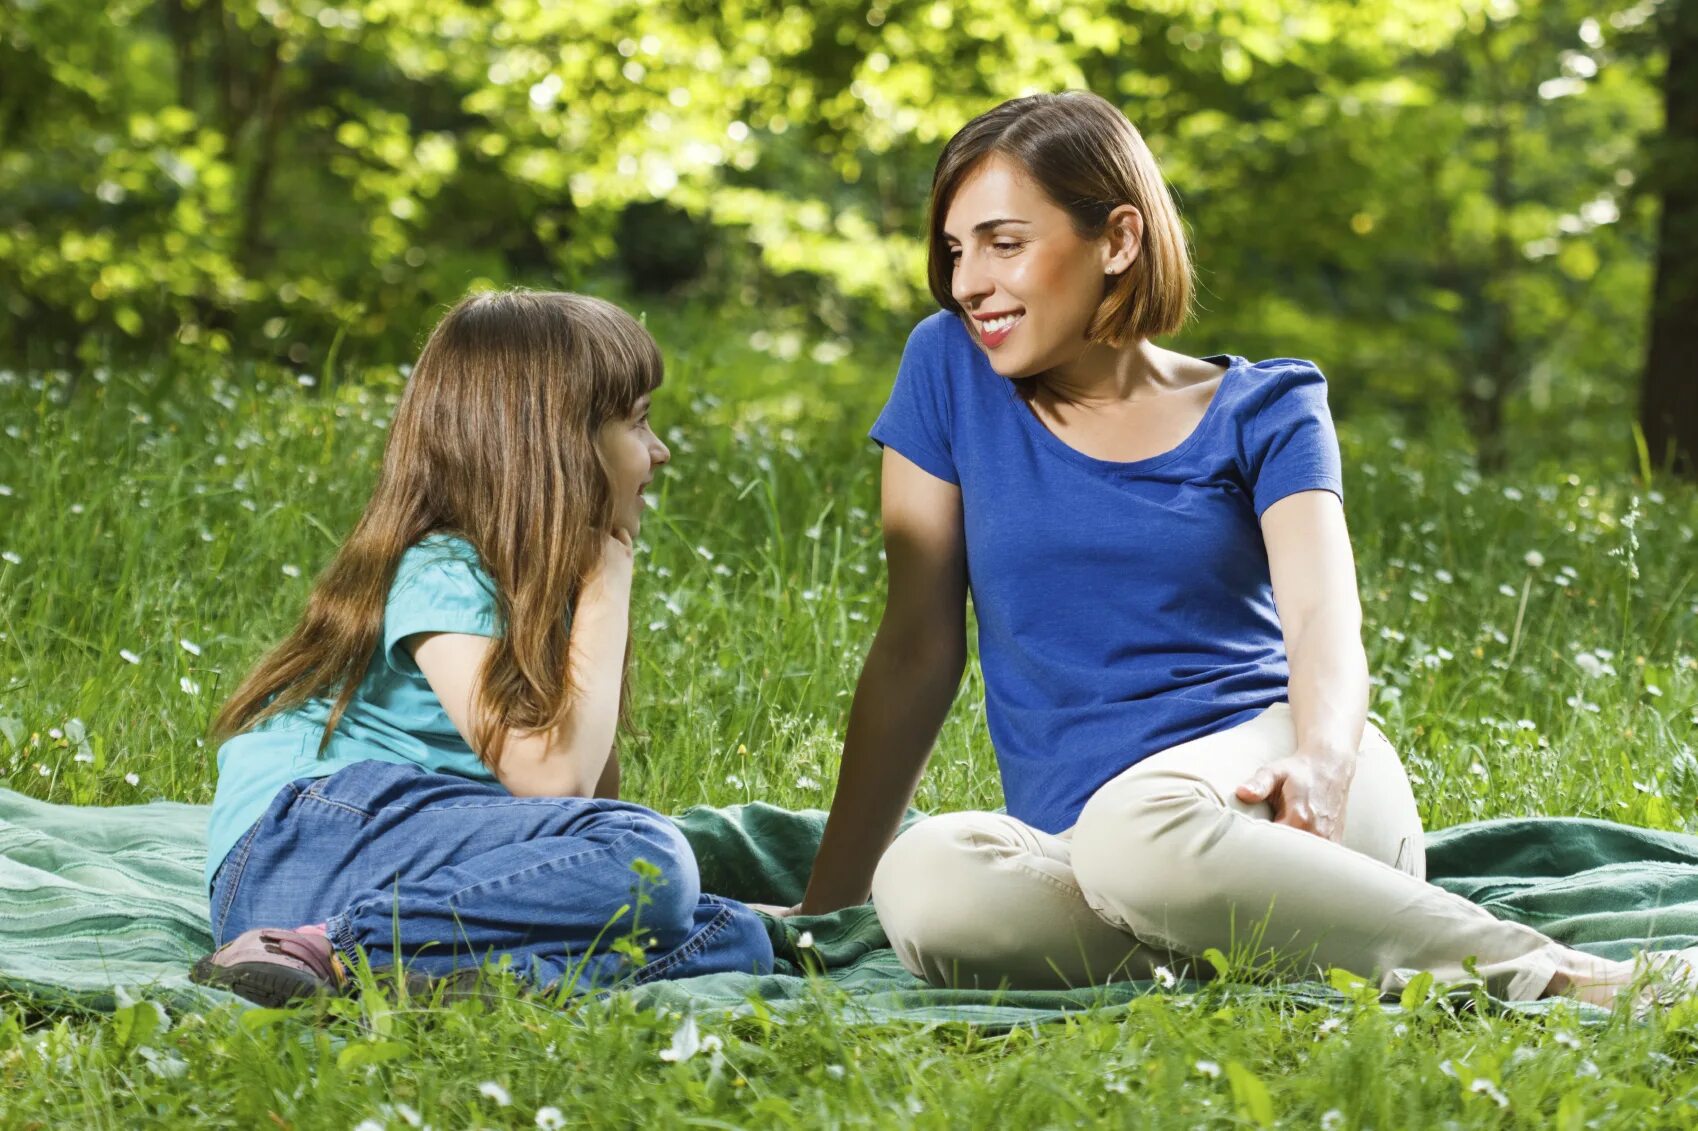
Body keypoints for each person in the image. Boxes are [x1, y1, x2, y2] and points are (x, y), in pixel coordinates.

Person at [781, 91, 1674, 1008]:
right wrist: (829, 904)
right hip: (1100, 860)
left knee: (1137, 833)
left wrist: (1324, 763)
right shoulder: (948, 368)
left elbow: (1324, 623)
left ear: (1119, 240)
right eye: (957, 250)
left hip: (1289, 794)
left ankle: (1561, 975)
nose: (968, 280)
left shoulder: (1270, 409)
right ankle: (1289, 949)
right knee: (925, 880)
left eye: (1004, 243)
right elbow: (916, 647)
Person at [191, 290, 773, 1006]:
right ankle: (334, 947)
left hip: (400, 869)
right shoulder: (444, 570)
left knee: (735, 933)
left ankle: (440, 981)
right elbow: (558, 786)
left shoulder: (540, 586)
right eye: (639, 420)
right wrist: (609, 579)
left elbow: (585, 799)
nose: (660, 450)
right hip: (304, 844)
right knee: (650, 854)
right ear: (554, 441)